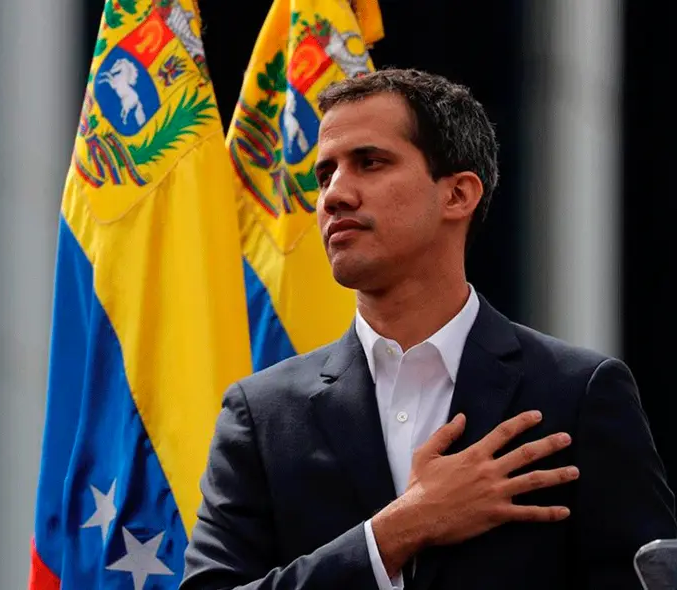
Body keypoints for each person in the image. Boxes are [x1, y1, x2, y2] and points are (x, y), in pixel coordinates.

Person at [180, 68, 677, 590]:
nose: (333, 197)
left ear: (458, 195)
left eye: (369, 163)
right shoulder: (261, 414)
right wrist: (400, 529)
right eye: (325, 175)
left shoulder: (577, 392)